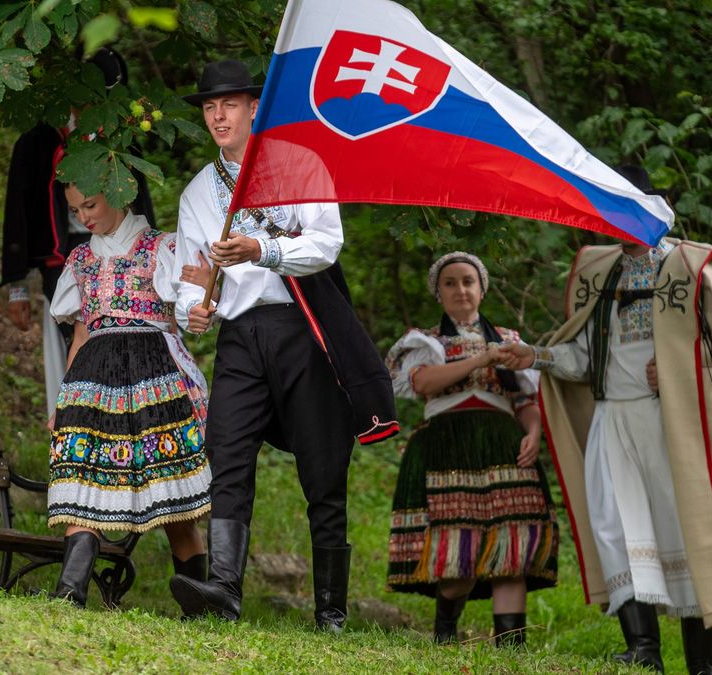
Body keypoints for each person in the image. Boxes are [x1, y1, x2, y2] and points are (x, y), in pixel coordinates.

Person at [501, 166, 712, 674]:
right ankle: (643, 652)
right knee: (615, 528)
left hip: (673, 426)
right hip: (611, 422)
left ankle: (701, 667)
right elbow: (584, 358)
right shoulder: (600, 273)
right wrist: (535, 356)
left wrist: (681, 371)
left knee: (685, 533)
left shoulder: (691, 267)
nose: (613, 220)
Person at [167, 59, 398, 632]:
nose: (217, 115)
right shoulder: (199, 191)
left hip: (303, 326)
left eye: (229, 104)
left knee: (322, 466)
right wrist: (190, 309)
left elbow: (327, 243)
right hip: (242, 336)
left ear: (253, 109)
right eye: (208, 107)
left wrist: (261, 250)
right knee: (228, 451)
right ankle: (224, 588)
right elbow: (187, 274)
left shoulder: (299, 163)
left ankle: (331, 609)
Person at [46, 182, 211, 607]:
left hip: (153, 374)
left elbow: (182, 315)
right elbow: (81, 331)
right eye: (75, 210)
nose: (83, 217)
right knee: (83, 481)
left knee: (175, 498)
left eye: (90, 205)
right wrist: (64, 400)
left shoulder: (163, 247)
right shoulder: (81, 258)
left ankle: (199, 605)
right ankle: (69, 595)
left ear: (118, 194)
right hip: (92, 378)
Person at [384, 252, 558, 647]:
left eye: (468, 281)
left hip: (505, 447)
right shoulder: (427, 340)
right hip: (448, 447)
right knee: (457, 556)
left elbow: (527, 402)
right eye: (450, 283)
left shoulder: (512, 342)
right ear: (438, 293)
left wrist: (533, 433)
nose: (460, 289)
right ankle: (446, 627)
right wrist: (483, 358)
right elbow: (425, 384)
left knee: (511, 548)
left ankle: (511, 649)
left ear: (482, 289)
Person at [1, 47, 156, 417]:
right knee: (77, 336)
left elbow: (138, 202)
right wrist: (17, 287)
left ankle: (120, 419)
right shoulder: (38, 141)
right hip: (62, 255)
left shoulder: (118, 139)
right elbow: (17, 215)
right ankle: (77, 421)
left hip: (123, 253)